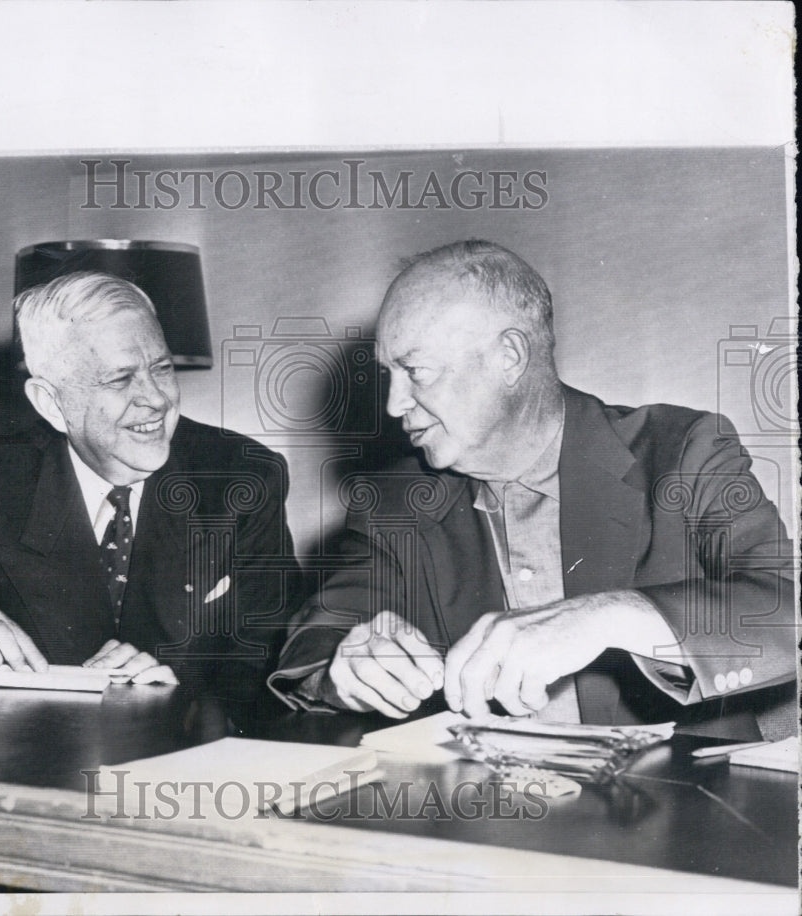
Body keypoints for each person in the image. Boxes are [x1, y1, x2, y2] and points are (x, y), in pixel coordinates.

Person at [270, 240, 796, 739]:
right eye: (389, 374)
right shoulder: (395, 501)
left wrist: (610, 616)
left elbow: (787, 605)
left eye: (416, 371)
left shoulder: (685, 450)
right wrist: (344, 669)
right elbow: (316, 637)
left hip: (686, 810)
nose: (393, 404)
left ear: (510, 356)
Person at [0, 271, 300, 703]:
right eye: (120, 379)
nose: (156, 400)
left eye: (161, 368)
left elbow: (276, 657)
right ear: (50, 403)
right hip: (23, 766)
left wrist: (180, 690)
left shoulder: (243, 475)